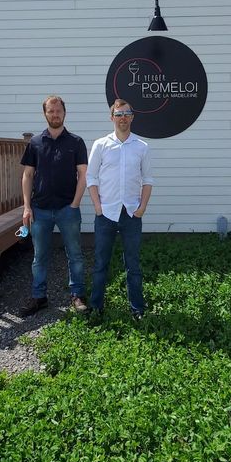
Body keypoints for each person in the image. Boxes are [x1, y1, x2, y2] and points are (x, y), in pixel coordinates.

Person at [19, 95, 89, 316]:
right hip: (40, 210)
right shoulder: (36, 143)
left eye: (58, 110)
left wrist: (75, 204)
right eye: (51, 111)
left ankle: (77, 295)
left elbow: (83, 175)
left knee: (75, 254)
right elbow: (27, 175)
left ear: (64, 112)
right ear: (45, 114)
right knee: (39, 256)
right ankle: (39, 297)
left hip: (67, 209)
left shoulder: (76, 142)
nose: (55, 114)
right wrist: (27, 207)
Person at [87, 99, 154, 319]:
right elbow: (91, 177)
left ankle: (137, 309)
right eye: (118, 114)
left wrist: (142, 207)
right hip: (106, 213)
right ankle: (96, 307)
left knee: (133, 265)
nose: (123, 117)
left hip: (131, 213)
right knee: (100, 264)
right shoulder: (101, 145)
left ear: (132, 117)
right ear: (112, 117)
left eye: (127, 113)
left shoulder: (141, 147)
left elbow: (147, 179)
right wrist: (97, 206)